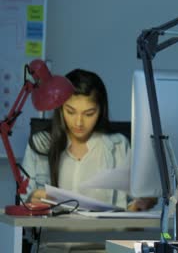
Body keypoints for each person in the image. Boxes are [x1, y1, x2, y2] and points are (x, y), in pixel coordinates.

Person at [21, 68, 155, 211]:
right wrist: (31, 199)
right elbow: (22, 203)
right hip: (53, 232)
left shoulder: (119, 145)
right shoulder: (40, 144)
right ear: (60, 108)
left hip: (104, 232)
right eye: (70, 112)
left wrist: (140, 204)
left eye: (89, 114)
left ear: (100, 110)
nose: (79, 122)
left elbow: (130, 207)